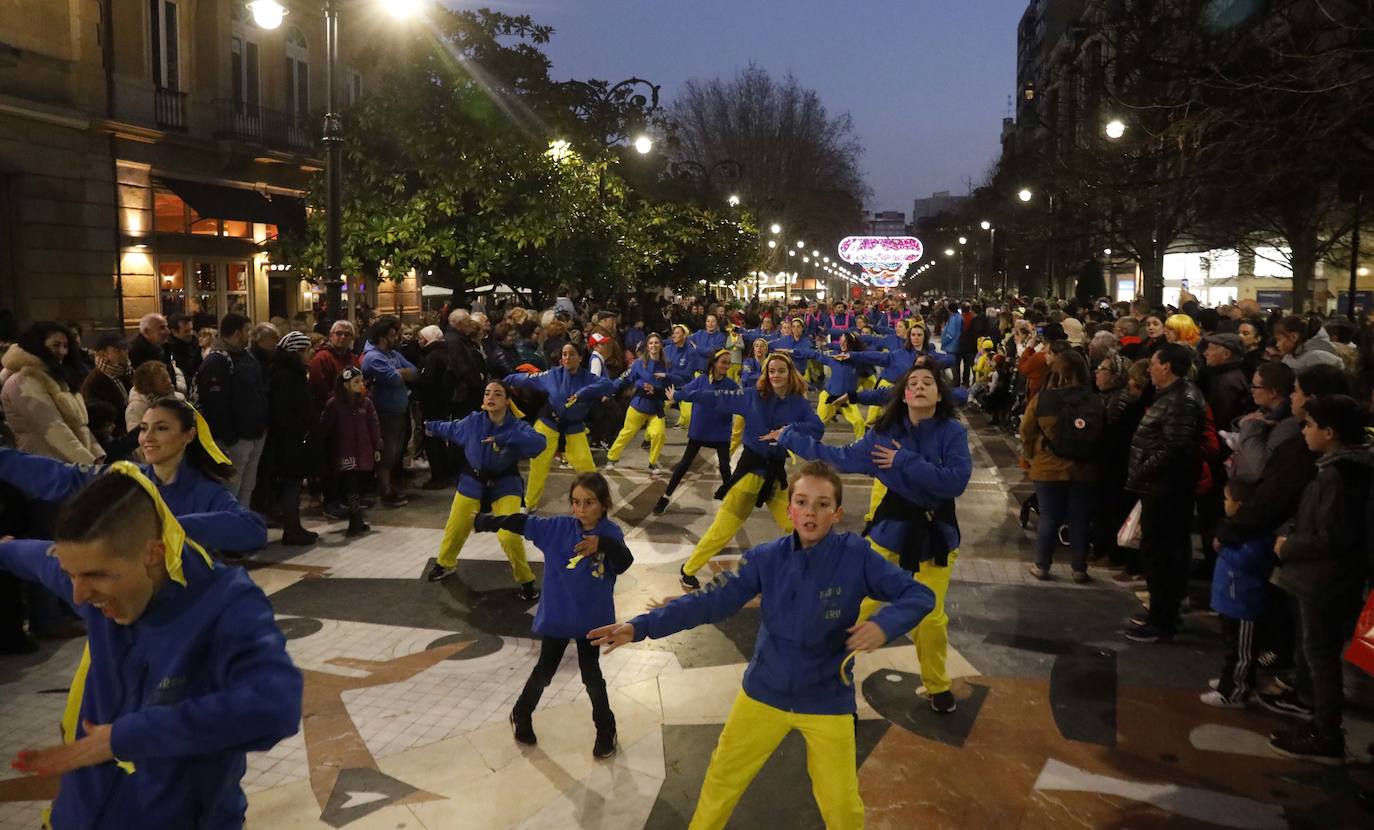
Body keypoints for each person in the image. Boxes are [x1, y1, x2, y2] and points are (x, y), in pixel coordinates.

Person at [589, 462, 935, 830]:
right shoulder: (766, 558)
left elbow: (919, 595)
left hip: (826, 699)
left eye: (822, 505)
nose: (810, 513)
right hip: (763, 694)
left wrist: (884, 625)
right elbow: (710, 601)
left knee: (842, 805)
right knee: (722, 778)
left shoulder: (856, 556)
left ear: (837, 514)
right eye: (801, 502)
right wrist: (639, 627)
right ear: (789, 510)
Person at [0, 467, 301, 829]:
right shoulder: (89, 578)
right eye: (70, 575)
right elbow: (30, 556)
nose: (78, 595)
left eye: (97, 575)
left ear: (153, 554)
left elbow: (275, 706)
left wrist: (126, 737)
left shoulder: (227, 604)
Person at [778, 358, 972, 712]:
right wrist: (790, 436)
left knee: (929, 619)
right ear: (903, 394)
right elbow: (836, 457)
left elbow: (955, 481)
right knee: (847, 607)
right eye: (912, 383)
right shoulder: (884, 434)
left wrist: (904, 462)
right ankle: (821, 677)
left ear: (939, 395)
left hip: (936, 539)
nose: (918, 387)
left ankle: (937, 684)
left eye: (927, 382)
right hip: (889, 533)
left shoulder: (952, 432)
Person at [477, 472, 630, 758]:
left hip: (591, 619)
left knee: (592, 676)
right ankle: (521, 713)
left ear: (605, 503)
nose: (581, 510)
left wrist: (603, 545)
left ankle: (606, 730)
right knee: (544, 671)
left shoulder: (611, 534)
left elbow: (624, 563)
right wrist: (484, 521)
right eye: (576, 502)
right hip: (560, 615)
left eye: (589, 502)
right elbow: (521, 523)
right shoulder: (559, 528)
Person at [0, 398, 266, 554]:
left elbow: (252, 530)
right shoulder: (126, 479)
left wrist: (166, 527)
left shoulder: (207, 493)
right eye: (143, 429)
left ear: (188, 435)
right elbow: (63, 478)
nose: (147, 438)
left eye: (161, 428)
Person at [1267, 394, 1373, 764]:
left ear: (1330, 432)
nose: (1304, 430)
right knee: (1319, 652)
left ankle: (1326, 732)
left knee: (1320, 655)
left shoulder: (1340, 476)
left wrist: (1288, 546)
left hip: (1323, 579)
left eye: (1310, 425)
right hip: (1322, 576)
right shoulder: (1338, 468)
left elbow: (1330, 536)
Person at [670, 353, 823, 590]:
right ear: (766, 373)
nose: (776, 375)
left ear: (790, 372)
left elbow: (817, 428)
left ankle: (807, 572)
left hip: (775, 476)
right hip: (749, 474)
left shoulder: (799, 403)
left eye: (781, 370)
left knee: (795, 524)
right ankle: (688, 569)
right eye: (771, 371)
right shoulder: (752, 395)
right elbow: (715, 397)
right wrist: (681, 394)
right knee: (723, 529)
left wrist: (789, 430)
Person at [424, 380, 546, 598]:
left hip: (505, 483)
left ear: (507, 401)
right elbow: (451, 429)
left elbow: (539, 443)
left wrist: (505, 437)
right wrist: (429, 426)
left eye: (498, 394)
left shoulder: (517, 426)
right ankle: (446, 563)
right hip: (473, 480)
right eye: (487, 393)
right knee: (457, 524)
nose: (490, 397)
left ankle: (526, 579)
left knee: (509, 535)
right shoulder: (473, 422)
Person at [1124, 343, 1207, 643]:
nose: (1150, 370)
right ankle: (1160, 611)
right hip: (1159, 486)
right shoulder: (1171, 396)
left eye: (1153, 365)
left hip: (1167, 488)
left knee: (1163, 553)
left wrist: (1145, 467)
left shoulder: (1182, 399)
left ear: (1168, 368)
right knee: (1158, 552)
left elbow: (1176, 446)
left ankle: (1163, 619)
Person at [1021, 350, 1099, 582]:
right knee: (1079, 518)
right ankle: (1079, 568)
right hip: (1084, 468)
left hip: (1048, 468)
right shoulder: (1094, 400)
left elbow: (1026, 431)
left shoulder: (1043, 399)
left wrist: (1030, 457)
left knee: (1049, 517)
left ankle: (1042, 566)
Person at [505, 342, 614, 509]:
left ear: (580, 357)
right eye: (564, 354)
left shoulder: (588, 378)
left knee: (586, 466)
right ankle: (529, 503)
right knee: (538, 465)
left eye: (571, 354)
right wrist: (503, 382)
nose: (567, 357)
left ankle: (597, 502)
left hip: (574, 426)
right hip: (549, 422)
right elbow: (526, 380)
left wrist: (582, 393)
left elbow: (608, 385)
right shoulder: (552, 374)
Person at [1202, 482, 1272, 708]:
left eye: (1227, 499)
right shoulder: (1234, 528)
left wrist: (1223, 548)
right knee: (1233, 647)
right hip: (1231, 600)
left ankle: (1235, 691)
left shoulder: (1253, 533)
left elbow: (1249, 561)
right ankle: (1230, 679)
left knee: (1242, 652)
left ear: (1239, 504)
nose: (1223, 503)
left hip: (1244, 602)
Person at [195, 312, 269, 507]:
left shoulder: (247, 356)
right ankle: (228, 527)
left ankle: (241, 524)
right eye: (247, 330)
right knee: (231, 488)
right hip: (236, 439)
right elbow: (214, 403)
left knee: (247, 485)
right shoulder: (217, 361)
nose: (250, 335)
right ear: (236, 333)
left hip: (254, 433)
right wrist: (229, 437)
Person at [654, 349, 739, 515]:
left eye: (729, 363)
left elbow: (742, 401)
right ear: (714, 362)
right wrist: (675, 395)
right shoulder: (700, 380)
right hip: (700, 430)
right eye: (723, 362)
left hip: (721, 432)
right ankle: (665, 497)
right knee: (684, 465)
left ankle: (731, 502)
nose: (726, 366)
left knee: (724, 467)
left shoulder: (731, 385)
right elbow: (684, 392)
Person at [267, 331, 318, 546]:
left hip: (290, 436)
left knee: (293, 482)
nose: (311, 354)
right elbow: (289, 409)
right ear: (297, 352)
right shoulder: (288, 376)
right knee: (292, 482)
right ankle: (292, 528)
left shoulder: (288, 372)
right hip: (289, 438)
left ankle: (294, 525)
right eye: (307, 350)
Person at [361, 315, 418, 507]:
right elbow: (394, 379)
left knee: (395, 451)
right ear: (383, 337)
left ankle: (389, 484)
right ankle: (384, 490)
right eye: (393, 335)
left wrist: (399, 373)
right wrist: (400, 374)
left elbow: (414, 372)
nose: (397, 338)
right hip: (384, 410)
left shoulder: (393, 354)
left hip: (399, 408)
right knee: (386, 452)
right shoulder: (373, 357)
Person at [317, 367, 382, 536]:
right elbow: (325, 427)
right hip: (344, 451)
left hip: (363, 451)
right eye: (356, 382)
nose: (361, 385)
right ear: (346, 385)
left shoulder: (366, 402)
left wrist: (377, 446)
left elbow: (373, 425)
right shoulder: (334, 404)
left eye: (361, 381)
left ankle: (357, 518)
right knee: (351, 484)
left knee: (358, 485)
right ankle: (355, 519)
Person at [604, 333, 669, 473]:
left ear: (661, 345)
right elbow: (623, 379)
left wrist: (657, 390)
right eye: (651, 343)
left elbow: (671, 385)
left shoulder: (666, 365)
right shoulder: (638, 364)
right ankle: (612, 457)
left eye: (656, 343)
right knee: (627, 433)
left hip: (656, 407)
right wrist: (609, 390)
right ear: (647, 346)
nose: (654, 345)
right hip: (639, 405)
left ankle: (653, 462)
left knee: (659, 434)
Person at [415, 324, 457, 490]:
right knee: (439, 440)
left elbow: (427, 381)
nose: (418, 342)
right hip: (443, 404)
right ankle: (445, 473)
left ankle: (438, 476)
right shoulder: (445, 352)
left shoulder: (432, 356)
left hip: (432, 405)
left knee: (432, 441)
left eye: (420, 338)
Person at [812, 332, 868, 440]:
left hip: (846, 399)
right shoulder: (835, 358)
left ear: (851, 343)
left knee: (859, 422)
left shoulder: (858, 360)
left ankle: (862, 447)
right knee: (818, 424)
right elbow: (815, 355)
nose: (842, 344)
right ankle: (810, 445)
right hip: (829, 397)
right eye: (841, 341)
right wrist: (795, 352)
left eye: (845, 341)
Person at [81, 334, 131, 435]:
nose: (124, 352)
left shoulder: (127, 373)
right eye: (117, 350)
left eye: (125, 348)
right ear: (104, 354)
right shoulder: (95, 381)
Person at [125, 359, 184, 435]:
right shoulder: (136, 408)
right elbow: (138, 440)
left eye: (168, 377)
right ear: (149, 385)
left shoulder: (179, 398)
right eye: (163, 380)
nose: (169, 381)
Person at [1272, 315, 1343, 372]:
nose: (1277, 345)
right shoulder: (1289, 356)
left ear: (1294, 337)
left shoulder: (1317, 357)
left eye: (1279, 339)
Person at [165, 312, 202, 385]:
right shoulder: (167, 347)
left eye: (191, 329)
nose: (191, 333)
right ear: (174, 332)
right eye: (186, 331)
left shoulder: (195, 342)